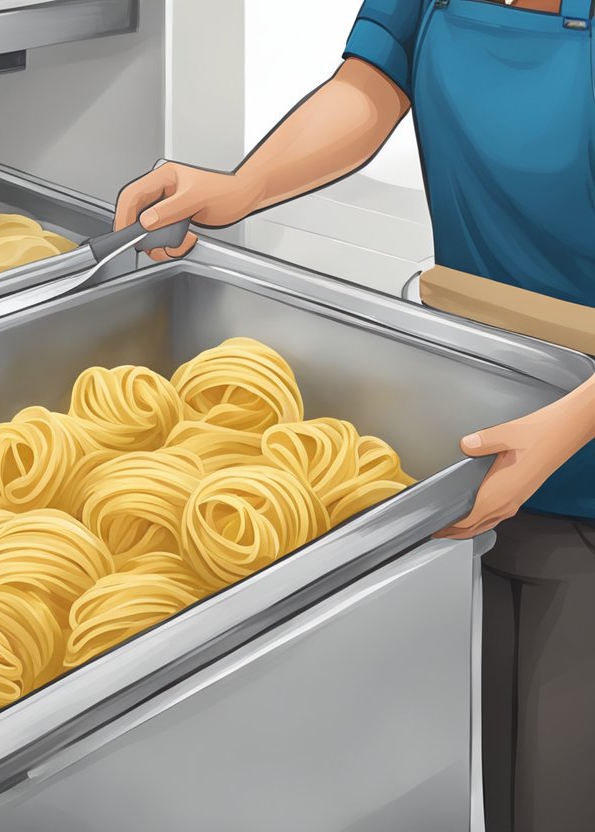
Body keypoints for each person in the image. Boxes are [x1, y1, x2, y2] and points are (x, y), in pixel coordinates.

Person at [114, 1, 595, 829]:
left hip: (574, 449)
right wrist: (241, 186)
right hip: (489, 427)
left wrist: (568, 425)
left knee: (561, 784)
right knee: (507, 769)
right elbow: (370, 86)